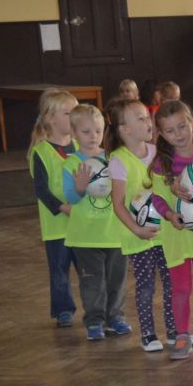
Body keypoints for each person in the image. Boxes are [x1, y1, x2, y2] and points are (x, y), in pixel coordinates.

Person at [147, 100, 193, 359]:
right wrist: (170, 214)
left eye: (181, 126)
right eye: (170, 130)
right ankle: (182, 335)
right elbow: (157, 198)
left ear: (192, 122)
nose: (177, 134)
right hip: (177, 237)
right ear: (161, 134)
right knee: (179, 288)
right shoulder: (161, 164)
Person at [106, 98, 176, 351]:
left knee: (172, 284)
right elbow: (118, 204)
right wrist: (137, 229)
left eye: (148, 116)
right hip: (138, 236)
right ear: (125, 129)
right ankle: (148, 334)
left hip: (164, 233)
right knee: (145, 286)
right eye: (141, 118)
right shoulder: (118, 160)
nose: (149, 122)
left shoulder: (158, 152)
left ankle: (174, 331)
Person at [61, 104, 126, 341]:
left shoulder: (113, 159)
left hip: (115, 233)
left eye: (98, 131)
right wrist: (79, 188)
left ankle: (115, 317)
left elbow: (124, 189)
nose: (93, 137)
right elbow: (70, 197)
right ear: (74, 133)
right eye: (86, 132)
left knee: (116, 280)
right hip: (85, 237)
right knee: (92, 282)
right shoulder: (71, 164)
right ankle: (95, 321)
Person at [27, 88, 80, 327]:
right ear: (51, 119)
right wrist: (64, 208)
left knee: (89, 272)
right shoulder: (41, 152)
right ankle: (63, 310)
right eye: (68, 113)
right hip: (57, 227)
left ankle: (96, 309)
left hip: (84, 226)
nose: (74, 117)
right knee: (59, 271)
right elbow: (42, 190)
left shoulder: (80, 145)